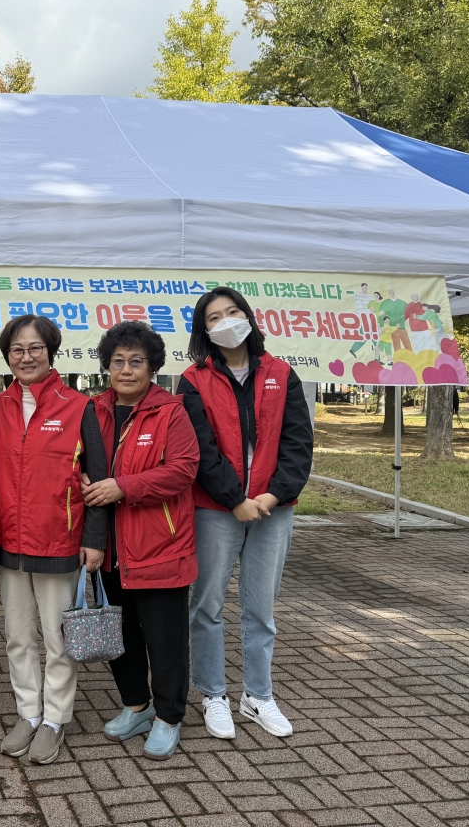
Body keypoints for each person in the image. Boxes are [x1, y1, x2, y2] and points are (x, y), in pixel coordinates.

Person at [178, 287, 313, 741]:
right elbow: (199, 448)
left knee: (261, 609)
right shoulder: (192, 380)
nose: (226, 321)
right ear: (205, 331)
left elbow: (298, 445)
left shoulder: (281, 373)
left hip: (274, 510)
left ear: (249, 317)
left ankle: (258, 695)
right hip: (216, 509)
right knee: (207, 605)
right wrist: (235, 499)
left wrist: (271, 498)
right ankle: (213, 693)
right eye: (214, 317)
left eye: (233, 311)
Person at [0, 315, 107, 765]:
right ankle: (28, 713)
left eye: (35, 347)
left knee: (58, 639)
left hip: (60, 539)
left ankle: (56, 718)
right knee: (17, 636)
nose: (26, 356)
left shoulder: (80, 407)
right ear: (7, 356)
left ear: (51, 351)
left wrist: (93, 540)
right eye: (17, 349)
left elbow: (96, 479)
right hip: (10, 541)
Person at [83, 321, 200, 761]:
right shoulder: (93, 410)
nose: (126, 370)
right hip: (108, 550)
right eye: (118, 362)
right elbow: (76, 460)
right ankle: (137, 706)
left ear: (152, 367)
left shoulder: (170, 411)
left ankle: (169, 717)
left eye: (136, 362)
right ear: (106, 366)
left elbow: (184, 469)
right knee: (121, 636)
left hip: (159, 549)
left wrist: (123, 486)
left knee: (165, 642)